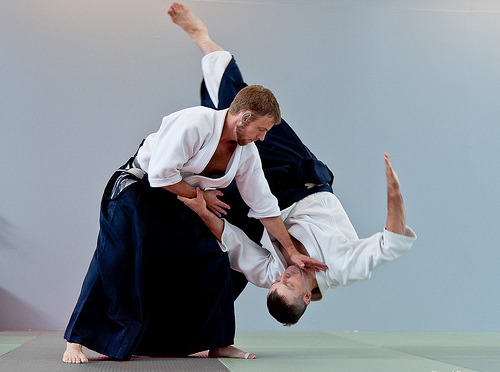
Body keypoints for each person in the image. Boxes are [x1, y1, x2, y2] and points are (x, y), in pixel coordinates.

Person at [62, 18, 327, 363]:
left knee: (212, 261)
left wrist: (291, 251)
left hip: (179, 201)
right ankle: (76, 341)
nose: (263, 139)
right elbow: (159, 175)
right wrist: (199, 197)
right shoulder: (195, 122)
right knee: (119, 256)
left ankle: (216, 341)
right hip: (137, 190)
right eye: (261, 130)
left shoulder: (245, 153)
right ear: (244, 118)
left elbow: (264, 204)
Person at [170, 2, 416, 325]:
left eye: (276, 282)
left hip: (265, 194)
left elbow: (234, 244)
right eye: (288, 283)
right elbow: (391, 245)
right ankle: (202, 38)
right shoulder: (341, 266)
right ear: (305, 297)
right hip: (298, 177)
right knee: (242, 110)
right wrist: (395, 196)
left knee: (217, 153)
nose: (282, 276)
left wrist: (202, 210)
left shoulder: (271, 272)